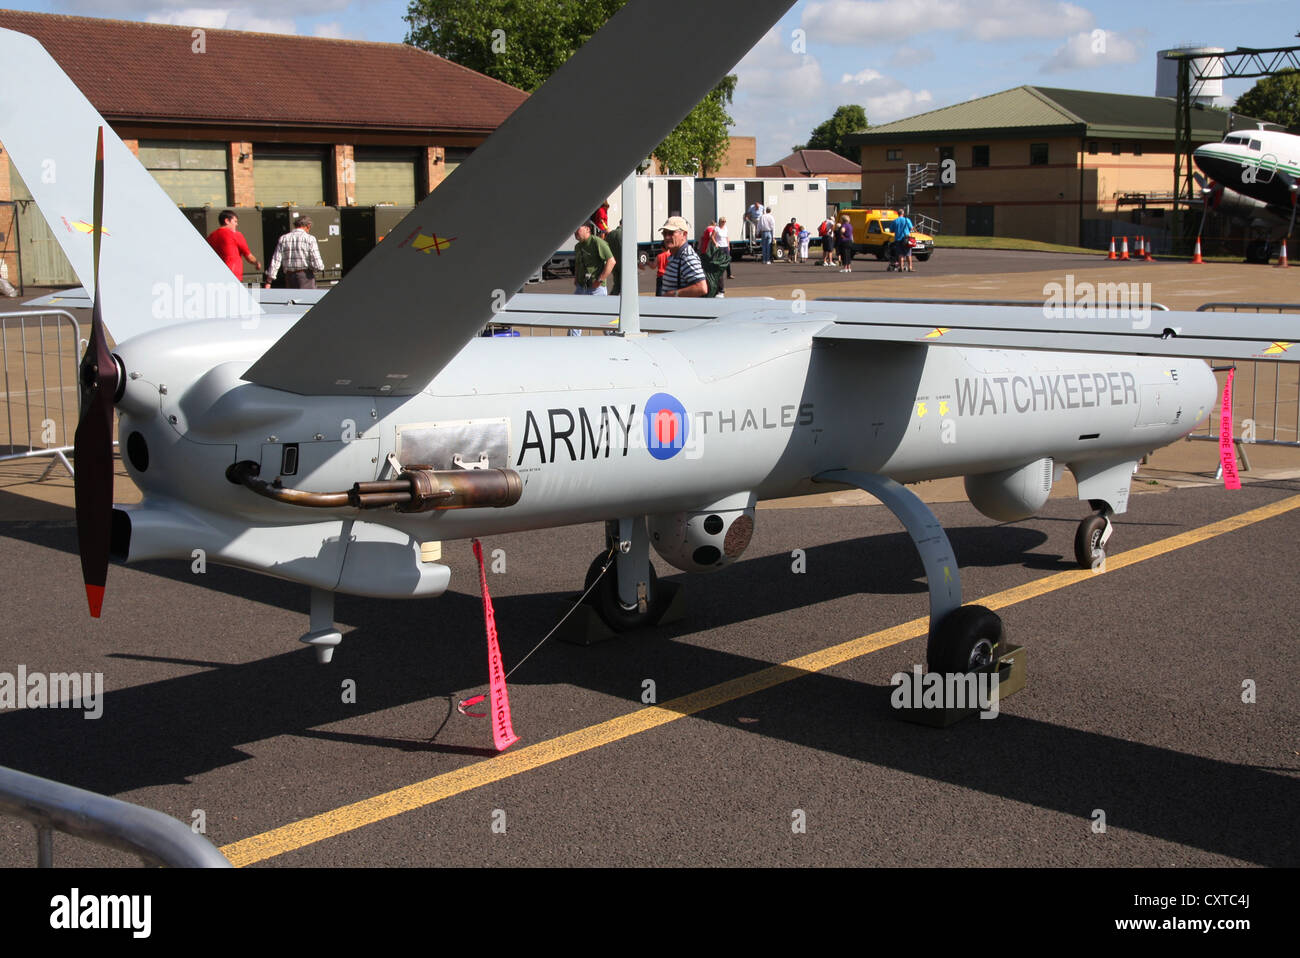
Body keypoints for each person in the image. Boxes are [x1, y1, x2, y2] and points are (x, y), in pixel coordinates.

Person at [264, 215, 324, 289]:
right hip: (305, 277)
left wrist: (269, 281)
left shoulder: (283, 238)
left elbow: (276, 260)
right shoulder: (310, 239)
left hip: (289, 277)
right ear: (308, 226)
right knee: (308, 300)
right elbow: (318, 264)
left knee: (292, 299)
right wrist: (317, 268)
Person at [658, 215, 706, 298]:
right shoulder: (675, 255)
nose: (666, 237)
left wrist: (673, 294)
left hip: (681, 309)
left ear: (684, 234)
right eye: (664, 233)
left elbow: (701, 288)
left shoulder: (687, 257)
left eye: (671, 233)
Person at [207, 209, 261, 280]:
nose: (236, 224)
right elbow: (248, 256)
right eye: (235, 221)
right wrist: (256, 263)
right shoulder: (236, 235)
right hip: (233, 276)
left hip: (216, 276)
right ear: (227, 221)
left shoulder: (211, 237)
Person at [572, 221, 615, 295]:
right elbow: (577, 264)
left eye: (577, 228)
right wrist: (576, 279)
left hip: (595, 289)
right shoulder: (577, 246)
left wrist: (599, 280)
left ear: (587, 229)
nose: (574, 232)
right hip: (581, 287)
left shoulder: (597, 242)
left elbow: (611, 261)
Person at [605, 222, 623, 295]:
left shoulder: (610, 235)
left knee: (617, 284)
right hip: (624, 263)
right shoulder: (625, 234)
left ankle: (612, 299)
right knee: (625, 285)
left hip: (614, 263)